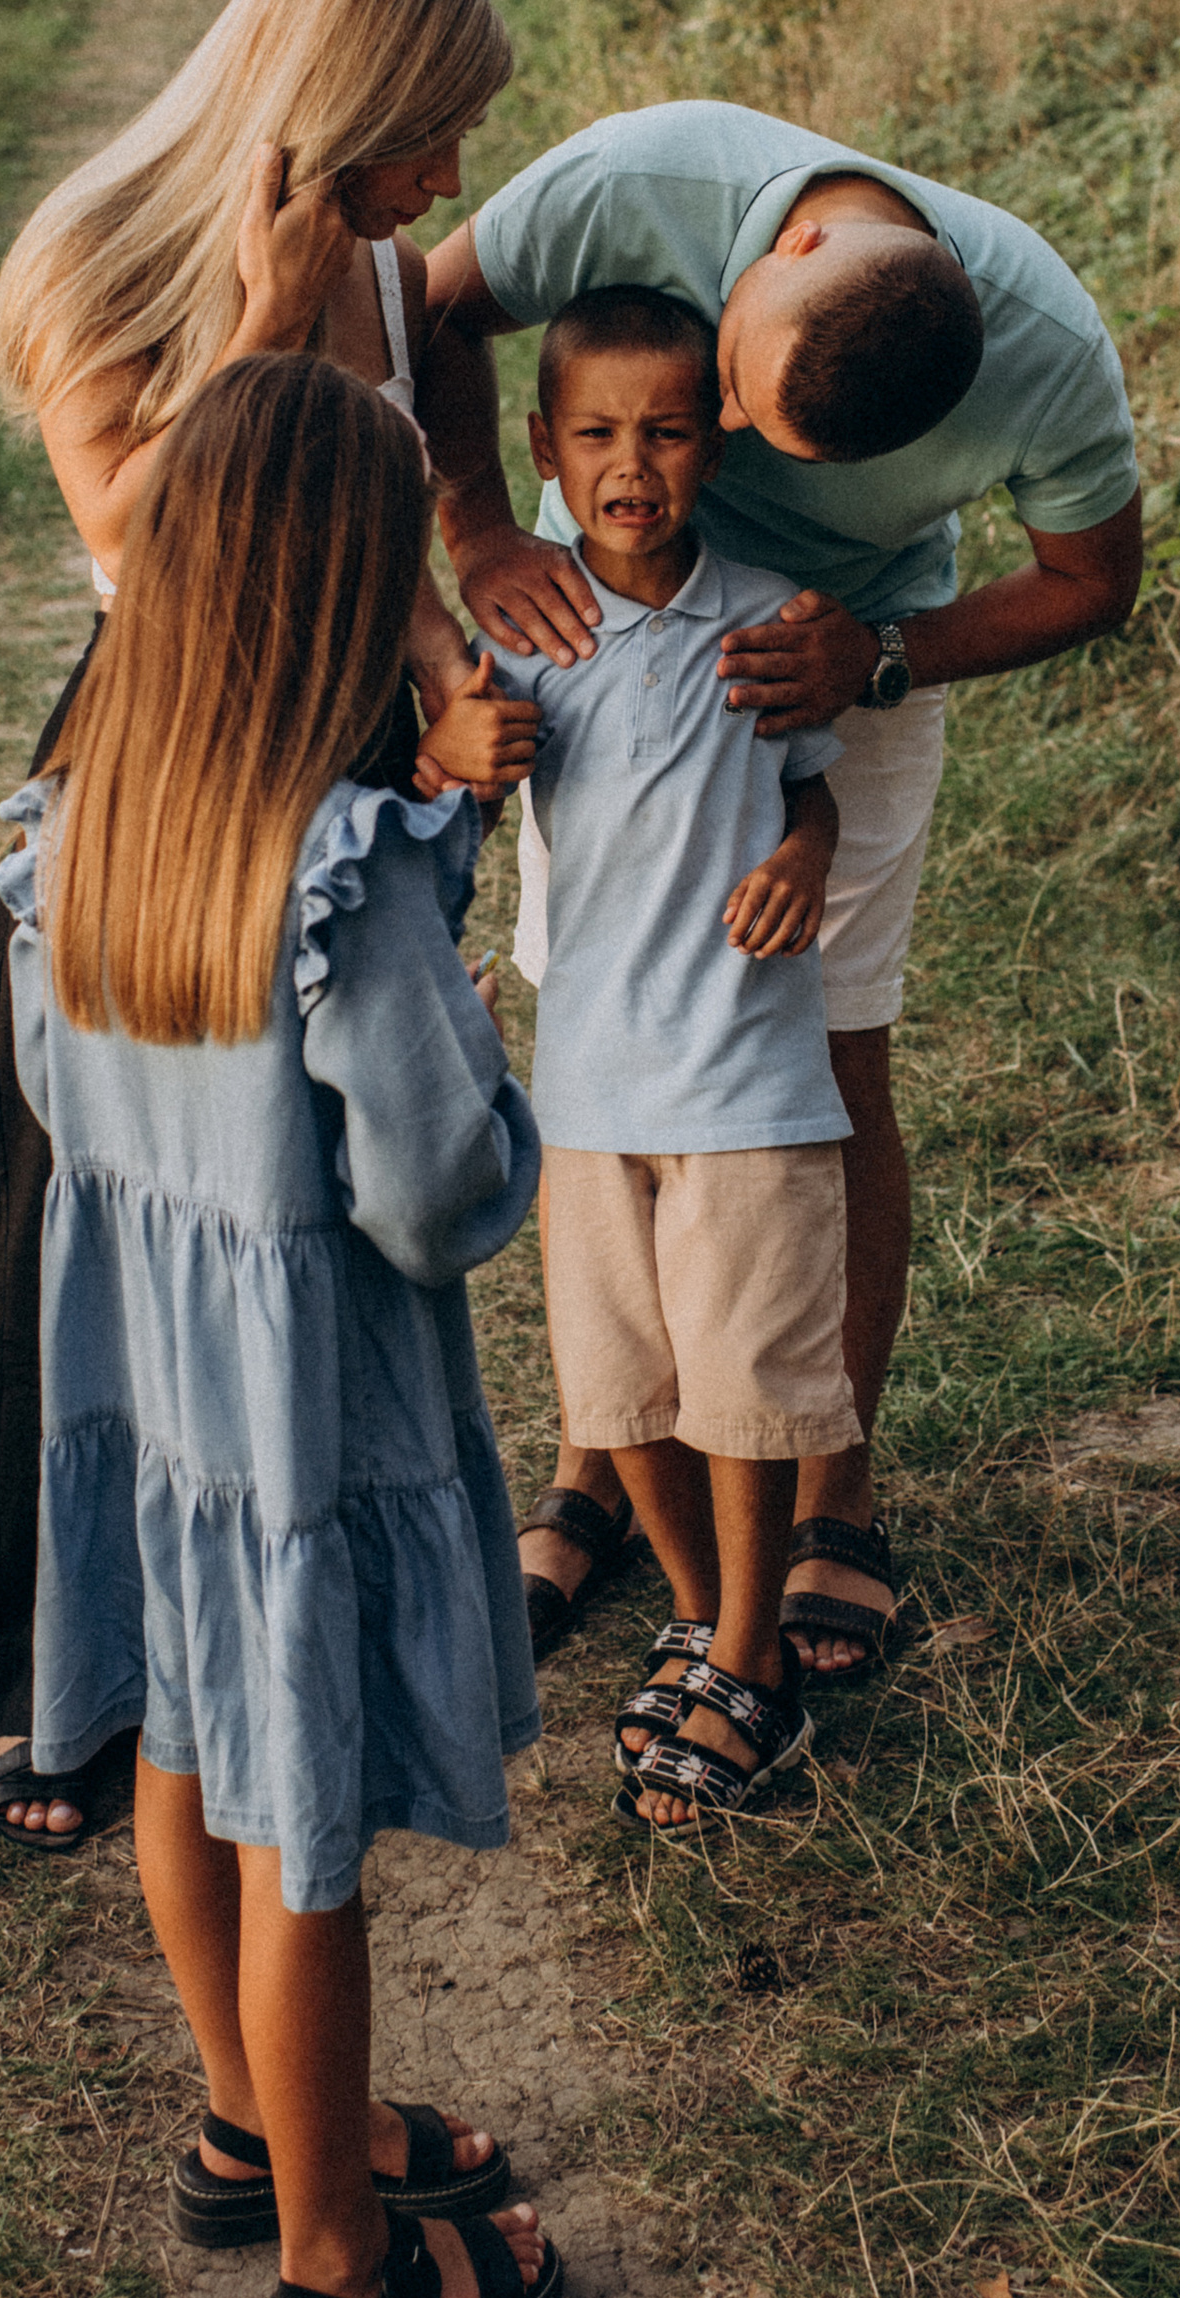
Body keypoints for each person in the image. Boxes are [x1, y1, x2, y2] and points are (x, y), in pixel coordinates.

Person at [0, 352, 563, 2298]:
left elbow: (68, 1099)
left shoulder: (77, 833)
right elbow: (428, 1193)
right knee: (298, 1823)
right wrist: (485, 1057)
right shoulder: (350, 872)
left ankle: (256, 2122)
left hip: (155, 1407)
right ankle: (341, 2272)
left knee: (179, 1752)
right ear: (347, 601)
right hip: (306, 1426)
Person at [422, 100, 1143, 1683]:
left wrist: (877, 655)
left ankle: (834, 1497)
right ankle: (599, 1466)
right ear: (786, 248)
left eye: (754, 432)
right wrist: (478, 531)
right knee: (594, 1025)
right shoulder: (649, 174)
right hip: (593, 630)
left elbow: (1097, 577)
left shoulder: (1046, 346)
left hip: (833, 659)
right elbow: (433, 304)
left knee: (822, 1060)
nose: (725, 447)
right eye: (729, 397)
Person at [0, 0, 539, 1848]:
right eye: (429, 133)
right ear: (334, 113)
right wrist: (270, 317)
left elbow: (358, 516)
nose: (447, 181)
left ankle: (302, 1587)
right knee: (83, 1206)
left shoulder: (386, 272)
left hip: (345, 731)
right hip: (160, 745)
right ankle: (50, 1677)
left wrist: (450, 673)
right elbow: (137, 524)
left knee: (313, 1194)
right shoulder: (105, 255)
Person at [483, 287, 856, 1827]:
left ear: (716, 441)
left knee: (742, 1384)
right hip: (589, 1084)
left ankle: (754, 1654)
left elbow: (815, 789)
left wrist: (808, 853)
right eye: (595, 435)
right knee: (621, 1384)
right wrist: (458, 748)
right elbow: (453, 791)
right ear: (545, 452)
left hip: (745, 1078)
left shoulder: (770, 619)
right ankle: (700, 1621)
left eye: (667, 429)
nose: (632, 463)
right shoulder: (531, 631)